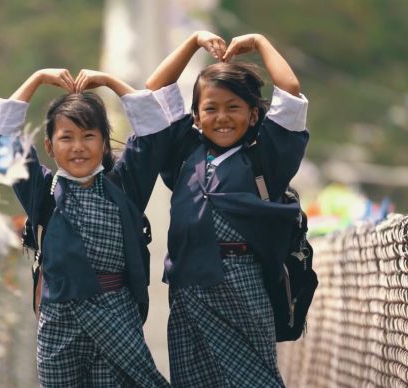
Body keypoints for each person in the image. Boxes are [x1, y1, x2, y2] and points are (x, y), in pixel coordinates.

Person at [127, 31, 309, 387]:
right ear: (195, 116)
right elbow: (153, 90)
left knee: (255, 378)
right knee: (193, 380)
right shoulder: (182, 150)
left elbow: (290, 90)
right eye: (210, 108)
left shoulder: (266, 155)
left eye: (233, 108)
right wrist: (193, 41)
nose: (222, 117)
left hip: (242, 283)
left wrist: (259, 42)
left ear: (254, 115)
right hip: (186, 286)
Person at [0, 68, 173, 387]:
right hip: (59, 322)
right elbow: (1, 139)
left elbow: (155, 132)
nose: (78, 147)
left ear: (103, 143)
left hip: (117, 315)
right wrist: (37, 79)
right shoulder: (41, 191)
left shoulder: (126, 184)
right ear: (48, 145)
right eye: (66, 138)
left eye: (89, 136)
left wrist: (111, 83)